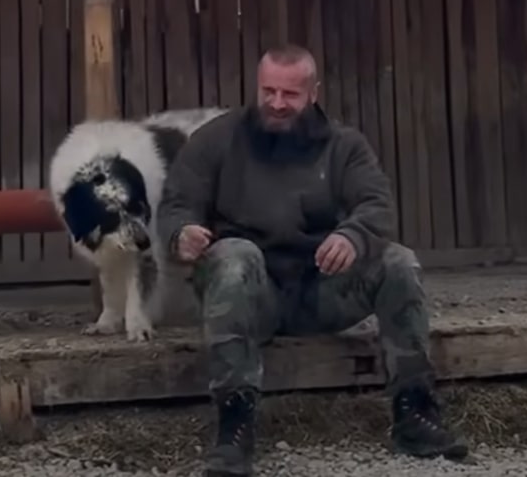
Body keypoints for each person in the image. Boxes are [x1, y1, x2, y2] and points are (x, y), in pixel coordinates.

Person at [157, 43, 467, 477]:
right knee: (235, 255)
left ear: (313, 93)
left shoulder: (345, 145)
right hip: (248, 296)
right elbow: (175, 203)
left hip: (322, 290)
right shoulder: (216, 138)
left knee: (399, 262)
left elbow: (378, 206)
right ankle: (234, 429)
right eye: (269, 91)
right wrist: (180, 233)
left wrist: (353, 236)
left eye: (290, 95)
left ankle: (416, 413)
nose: (277, 104)